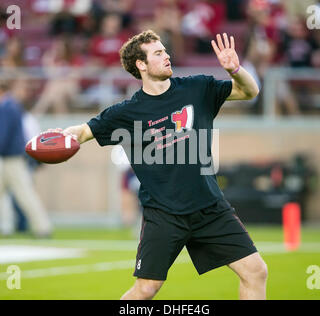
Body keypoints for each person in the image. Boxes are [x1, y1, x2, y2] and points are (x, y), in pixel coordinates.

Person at [49, 30, 267, 300]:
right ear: (141, 65)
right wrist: (62, 136)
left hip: (209, 206)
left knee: (256, 271)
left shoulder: (197, 88)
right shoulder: (126, 112)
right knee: (146, 288)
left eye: (165, 50)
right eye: (158, 53)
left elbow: (250, 91)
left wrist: (235, 69)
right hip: (164, 214)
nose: (166, 56)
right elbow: (83, 132)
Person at [0, 77, 52, 237]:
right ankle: (6, 227)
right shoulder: (11, 105)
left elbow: (3, 134)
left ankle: (42, 227)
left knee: (24, 193)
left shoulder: (7, 107)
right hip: (9, 157)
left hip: (11, 159)